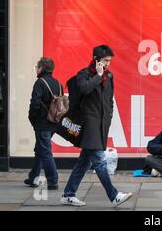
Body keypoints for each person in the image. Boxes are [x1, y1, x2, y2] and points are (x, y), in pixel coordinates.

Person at [61, 45, 132, 207]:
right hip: (89, 123)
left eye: (110, 61)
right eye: (106, 61)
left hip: (101, 124)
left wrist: (110, 115)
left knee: (84, 162)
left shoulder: (109, 76)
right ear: (96, 60)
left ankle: (68, 194)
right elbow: (84, 89)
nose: (108, 64)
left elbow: (109, 99)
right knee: (100, 161)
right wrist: (98, 76)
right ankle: (114, 196)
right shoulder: (83, 75)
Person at [25, 57, 60, 190]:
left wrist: (31, 118)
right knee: (40, 150)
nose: (36, 70)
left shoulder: (40, 83)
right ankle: (33, 177)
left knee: (45, 151)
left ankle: (53, 180)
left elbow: (35, 103)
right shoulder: (57, 83)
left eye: (37, 67)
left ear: (42, 68)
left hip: (42, 123)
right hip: (53, 122)